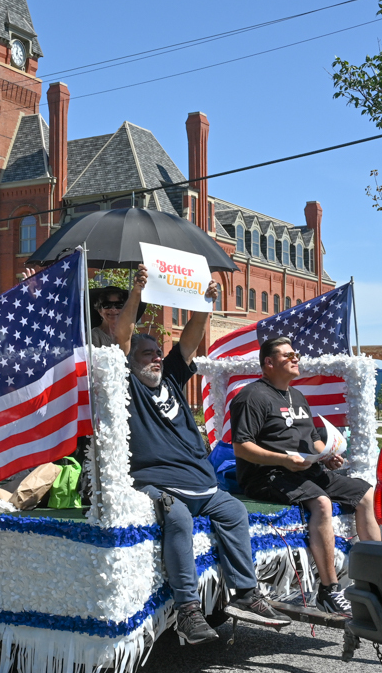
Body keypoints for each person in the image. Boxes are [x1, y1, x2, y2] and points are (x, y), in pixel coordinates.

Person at [115, 264, 289, 644]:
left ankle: (246, 594)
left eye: (157, 353)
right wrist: (137, 292)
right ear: (130, 361)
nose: (155, 358)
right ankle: (188, 611)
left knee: (234, 510)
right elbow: (122, 336)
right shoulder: (128, 385)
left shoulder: (171, 377)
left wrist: (205, 302)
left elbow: (191, 336)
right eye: (146, 354)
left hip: (202, 483)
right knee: (177, 518)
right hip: (158, 483)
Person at [229, 336, 382, 616]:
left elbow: (313, 440)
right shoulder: (251, 396)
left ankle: (375, 583)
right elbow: (242, 447)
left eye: (295, 354)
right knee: (321, 503)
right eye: (287, 355)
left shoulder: (297, 396)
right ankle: (329, 591)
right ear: (268, 362)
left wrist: (327, 455)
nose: (295, 358)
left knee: (365, 493)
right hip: (267, 475)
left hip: (306, 470)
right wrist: (283, 459)